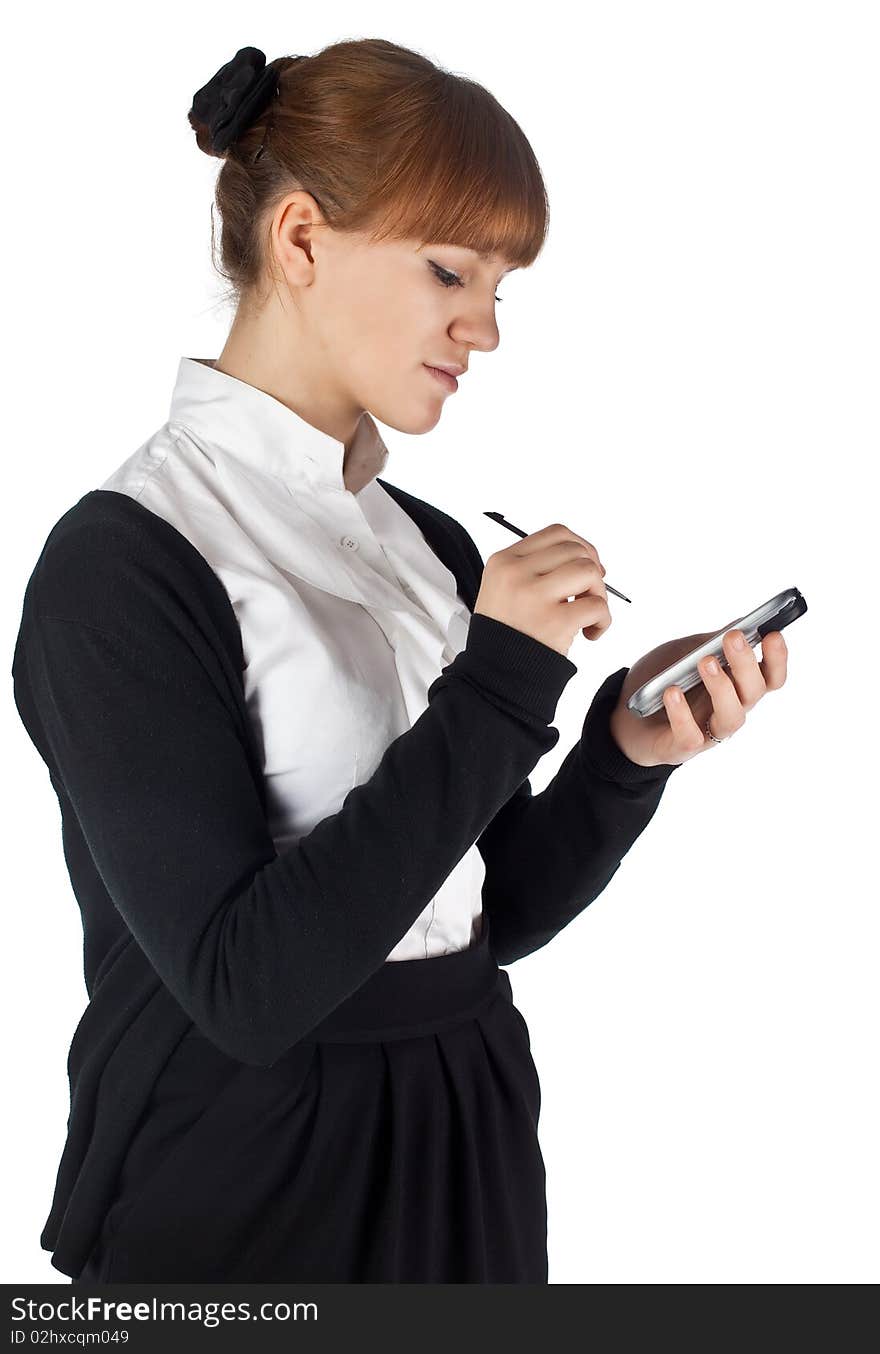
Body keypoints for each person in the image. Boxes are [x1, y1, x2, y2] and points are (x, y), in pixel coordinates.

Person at [10, 38, 788, 1284]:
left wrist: (621, 753)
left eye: (502, 286)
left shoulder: (423, 541)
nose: (483, 329)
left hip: (466, 1127)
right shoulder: (124, 567)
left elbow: (480, 914)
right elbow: (249, 989)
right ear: (302, 240)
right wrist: (500, 676)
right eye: (449, 271)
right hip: (238, 1174)